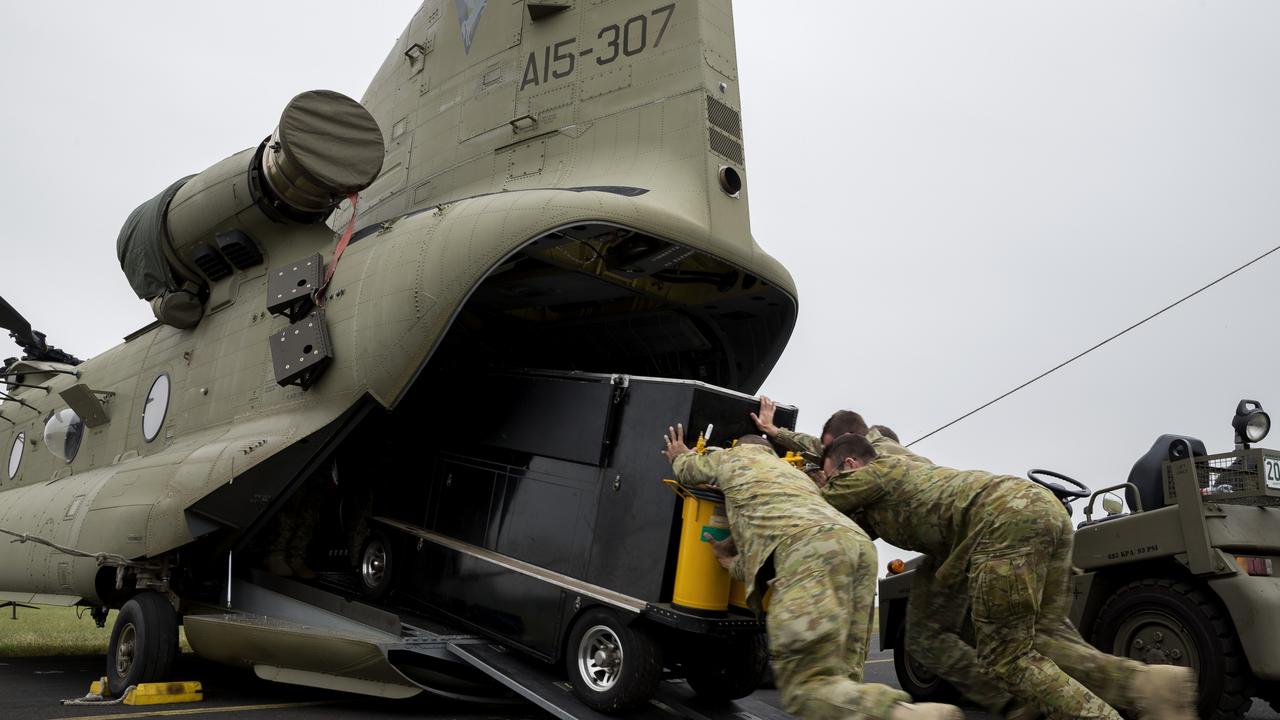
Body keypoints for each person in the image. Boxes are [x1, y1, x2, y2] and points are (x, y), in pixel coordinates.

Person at [820, 433, 1197, 720]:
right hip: (1040, 509)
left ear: (850, 463)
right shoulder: (897, 456)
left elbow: (814, 500)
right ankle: (1148, 686)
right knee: (1044, 640)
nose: (829, 479)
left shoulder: (869, 474)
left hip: (1001, 525)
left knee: (1007, 656)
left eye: (830, 471)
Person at [753, 398, 1032, 718]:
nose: (825, 458)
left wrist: (798, 469)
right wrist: (776, 431)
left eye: (831, 452)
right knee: (932, 638)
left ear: (850, 446)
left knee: (976, 642)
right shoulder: (886, 453)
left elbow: (825, 496)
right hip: (959, 543)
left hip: (974, 540)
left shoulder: (875, 462)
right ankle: (1012, 701)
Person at [662, 424, 961, 720]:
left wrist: (679, 454)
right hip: (857, 545)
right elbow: (772, 543)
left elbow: (689, 470)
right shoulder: (796, 477)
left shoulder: (734, 458)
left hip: (811, 549)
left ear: (741, 447)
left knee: (805, 688)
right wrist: (734, 562)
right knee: (844, 674)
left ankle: (901, 714)